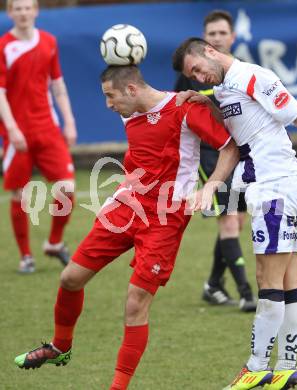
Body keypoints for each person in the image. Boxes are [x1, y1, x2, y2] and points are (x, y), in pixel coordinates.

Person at [14, 65, 239, 390]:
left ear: (131, 90)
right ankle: (60, 347)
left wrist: (211, 185)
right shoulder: (131, 109)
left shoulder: (184, 108)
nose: (108, 104)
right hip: (127, 204)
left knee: (136, 301)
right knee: (70, 278)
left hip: (166, 216)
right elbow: (132, 78)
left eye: (110, 96)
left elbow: (230, 146)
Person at [172, 38, 297, 390]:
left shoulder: (253, 75)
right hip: (285, 187)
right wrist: (205, 99)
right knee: (290, 280)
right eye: (192, 76)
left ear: (210, 51)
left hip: (276, 188)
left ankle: (257, 368)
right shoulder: (226, 87)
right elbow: (240, 119)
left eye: (197, 69)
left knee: (267, 279)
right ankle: (286, 368)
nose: (198, 78)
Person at [174, 10, 256, 312]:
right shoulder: (190, 72)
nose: (217, 38)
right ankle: (247, 293)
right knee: (230, 220)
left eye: (222, 33)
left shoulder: (240, 72)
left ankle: (213, 284)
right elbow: (179, 112)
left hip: (242, 155)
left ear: (232, 37)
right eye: (212, 34)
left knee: (236, 220)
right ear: (204, 40)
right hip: (210, 157)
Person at [0, 0, 77, 273]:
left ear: (36, 10)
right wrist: (11, 129)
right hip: (17, 134)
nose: (22, 12)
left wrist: (68, 121)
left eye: (27, 7)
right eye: (17, 8)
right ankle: (25, 256)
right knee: (19, 193)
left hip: (48, 129)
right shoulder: (4, 46)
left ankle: (54, 243)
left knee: (67, 190)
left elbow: (57, 84)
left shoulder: (49, 41)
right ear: (9, 13)